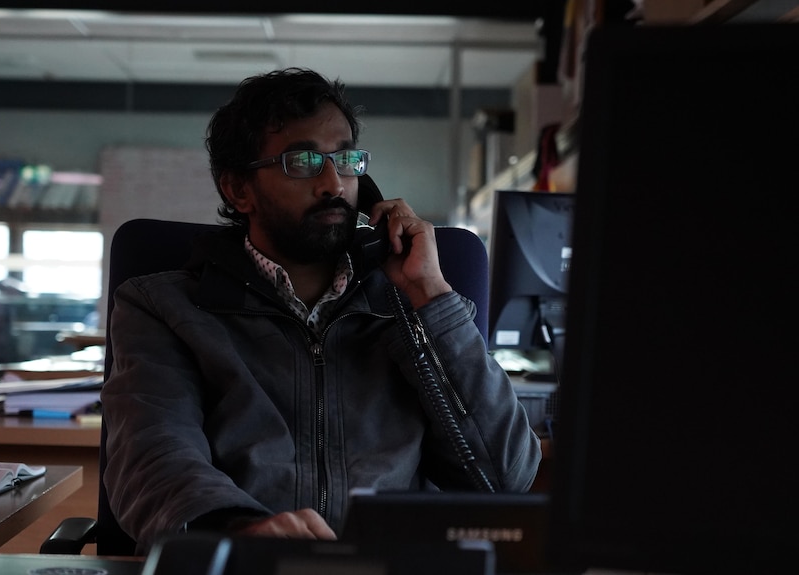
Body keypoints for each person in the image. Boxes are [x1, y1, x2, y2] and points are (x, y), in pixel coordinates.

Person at [101, 67, 542, 554]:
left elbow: (505, 476)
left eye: (347, 160)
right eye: (303, 161)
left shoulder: (409, 306)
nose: (334, 183)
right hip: (247, 566)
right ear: (238, 189)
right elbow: (151, 454)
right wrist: (233, 530)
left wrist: (430, 296)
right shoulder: (163, 307)